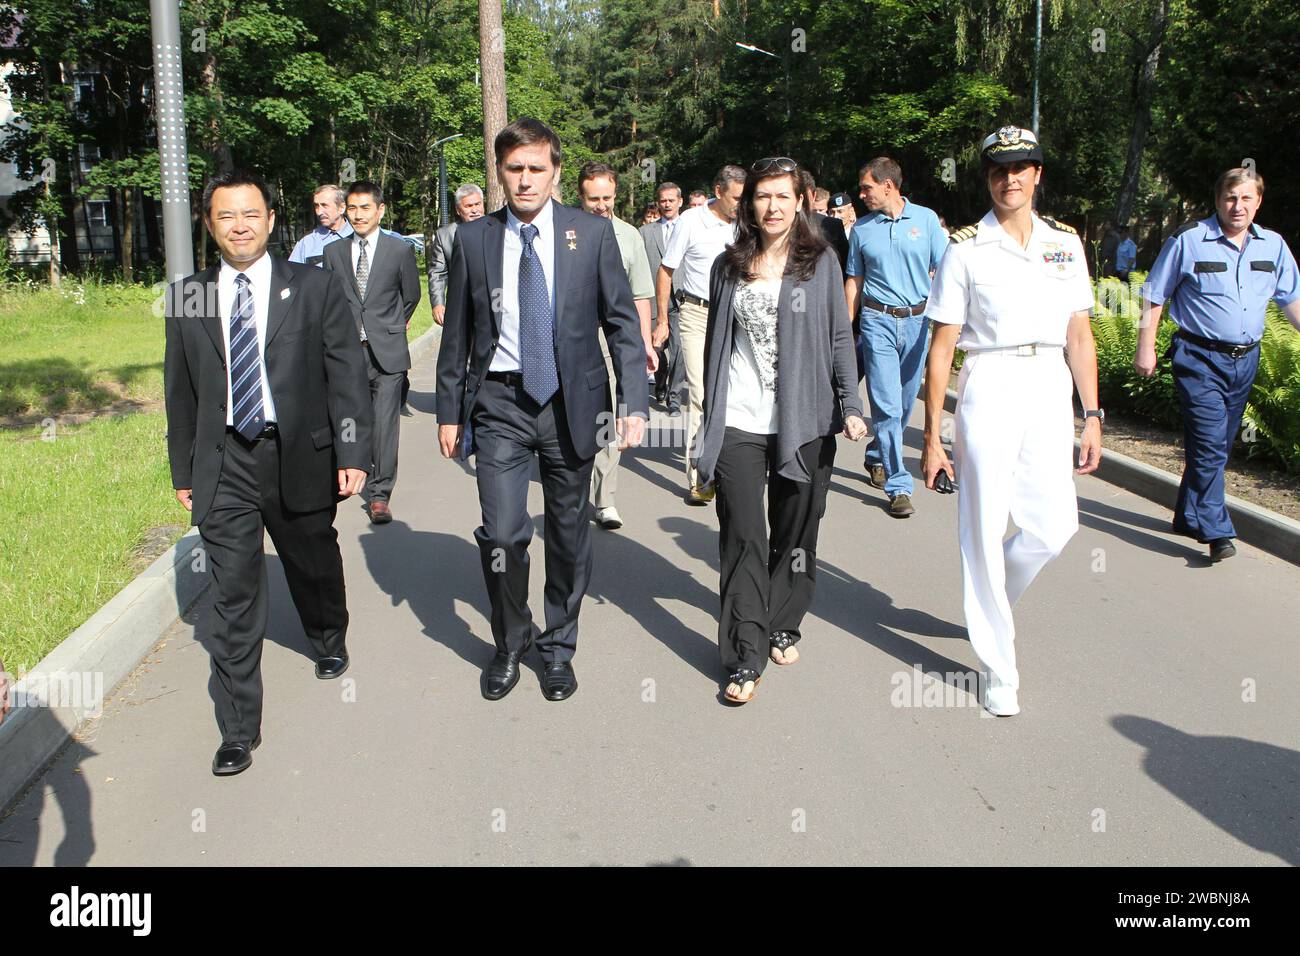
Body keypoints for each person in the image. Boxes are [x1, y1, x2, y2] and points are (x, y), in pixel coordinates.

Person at [164, 170, 371, 774]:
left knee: (312, 561)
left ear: (271, 220)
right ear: (209, 224)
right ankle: (237, 729)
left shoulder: (313, 286)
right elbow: (180, 392)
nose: (240, 226)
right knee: (232, 596)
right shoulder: (189, 296)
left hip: (298, 454)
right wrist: (185, 470)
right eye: (226, 216)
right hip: (225, 460)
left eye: (251, 214)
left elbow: (347, 378)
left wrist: (353, 453)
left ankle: (328, 635)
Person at [436, 118, 648, 702]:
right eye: (514, 169)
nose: (525, 180)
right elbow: (457, 331)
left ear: (555, 171)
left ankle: (558, 646)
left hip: (570, 404)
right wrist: (449, 411)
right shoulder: (475, 240)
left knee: (566, 531)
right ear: (499, 173)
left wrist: (632, 401)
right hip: (499, 403)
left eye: (536, 168)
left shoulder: (591, 235)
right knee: (503, 536)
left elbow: (623, 325)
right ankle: (510, 641)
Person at [921, 126, 1102, 717]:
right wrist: (931, 437)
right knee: (983, 526)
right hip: (992, 382)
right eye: (1000, 169)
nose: (1011, 178)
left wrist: (1092, 414)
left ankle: (991, 602)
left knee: (1054, 527)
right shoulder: (966, 248)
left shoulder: (1065, 245)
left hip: (1049, 383)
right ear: (988, 178)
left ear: (1038, 175)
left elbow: (1080, 332)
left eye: (1022, 167)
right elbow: (943, 346)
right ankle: (999, 666)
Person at [693, 156, 867, 704]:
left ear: (800, 202)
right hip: (742, 419)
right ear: (749, 203)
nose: (771, 206)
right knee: (743, 534)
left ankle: (784, 619)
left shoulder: (820, 264)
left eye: (782, 197)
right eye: (762, 196)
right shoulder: (730, 265)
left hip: (805, 418)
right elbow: (715, 344)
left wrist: (851, 401)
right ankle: (745, 653)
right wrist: (707, 416)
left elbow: (841, 336)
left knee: (796, 530)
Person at [1135, 167, 1300, 562]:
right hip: (1198, 357)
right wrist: (1146, 346)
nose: (1237, 206)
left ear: (1258, 202)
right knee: (1209, 444)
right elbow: (1153, 295)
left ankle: (1188, 514)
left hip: (1245, 360)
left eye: (1246, 198)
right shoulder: (1189, 241)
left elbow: (1291, 298)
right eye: (1230, 198)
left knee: (1219, 445)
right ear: (1217, 201)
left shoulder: (1273, 246)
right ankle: (1217, 531)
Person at [844, 156, 948, 517]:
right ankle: (898, 485)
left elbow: (946, 268)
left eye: (867, 187)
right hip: (878, 321)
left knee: (904, 403)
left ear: (888, 185)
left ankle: (876, 455)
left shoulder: (926, 220)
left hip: (918, 323)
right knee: (886, 404)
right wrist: (845, 325)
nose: (862, 194)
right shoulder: (862, 229)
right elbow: (854, 280)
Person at [323, 181, 421, 525]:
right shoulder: (334, 254)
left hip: (388, 353)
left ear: (380, 210)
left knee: (384, 424)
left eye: (365, 207)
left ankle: (380, 494)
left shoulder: (399, 251)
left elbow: (411, 295)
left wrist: (391, 326)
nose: (358, 214)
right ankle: (351, 471)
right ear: (344, 212)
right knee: (349, 418)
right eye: (352, 208)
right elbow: (331, 302)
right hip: (348, 352)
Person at [655, 164, 747, 504]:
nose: (742, 203)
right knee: (700, 393)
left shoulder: (747, 223)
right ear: (718, 191)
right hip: (696, 312)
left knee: (733, 389)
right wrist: (662, 320)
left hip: (736, 315)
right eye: (737, 197)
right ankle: (699, 475)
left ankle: (730, 463)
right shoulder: (690, 222)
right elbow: (666, 271)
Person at [577, 161, 658, 530]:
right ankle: (574, 491)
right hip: (571, 338)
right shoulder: (565, 232)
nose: (601, 205)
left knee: (606, 417)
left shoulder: (629, 236)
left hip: (612, 337)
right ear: (581, 196)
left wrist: (644, 343)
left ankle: (604, 499)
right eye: (594, 198)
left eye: (607, 197)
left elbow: (640, 295)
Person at [641, 181, 686, 414]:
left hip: (681, 302)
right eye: (663, 200)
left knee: (680, 351)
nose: (667, 204)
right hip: (653, 302)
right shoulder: (645, 233)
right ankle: (660, 382)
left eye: (671, 200)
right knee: (656, 351)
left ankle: (675, 398)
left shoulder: (689, 229)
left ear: (680, 201)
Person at [428, 183, 485, 327]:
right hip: (461, 304)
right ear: (458, 210)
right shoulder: (445, 235)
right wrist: (438, 304)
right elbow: (437, 273)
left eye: (477, 204)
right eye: (469, 206)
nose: (475, 210)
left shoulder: (498, 228)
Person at [288, 184, 353, 265]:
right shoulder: (307, 242)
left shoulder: (358, 237)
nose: (319, 212)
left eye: (324, 205)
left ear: (341, 208)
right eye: (316, 206)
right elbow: (292, 273)